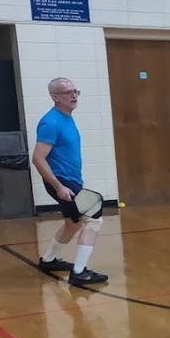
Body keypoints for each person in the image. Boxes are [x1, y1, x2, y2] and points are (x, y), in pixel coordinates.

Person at [31, 77, 109, 287]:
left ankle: (48, 260)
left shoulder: (66, 117)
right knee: (94, 219)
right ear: (55, 97)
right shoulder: (51, 122)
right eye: (68, 92)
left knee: (73, 223)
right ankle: (79, 272)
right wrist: (59, 186)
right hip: (62, 181)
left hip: (70, 180)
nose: (74, 95)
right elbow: (38, 158)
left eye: (76, 91)